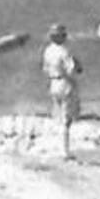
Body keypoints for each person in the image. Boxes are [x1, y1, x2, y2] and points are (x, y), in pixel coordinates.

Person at [41, 23, 83, 159]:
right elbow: (71, 70)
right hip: (64, 83)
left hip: (53, 83)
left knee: (57, 116)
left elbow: (45, 69)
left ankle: (57, 147)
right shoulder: (64, 51)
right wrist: (77, 66)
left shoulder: (47, 51)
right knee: (66, 120)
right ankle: (65, 151)